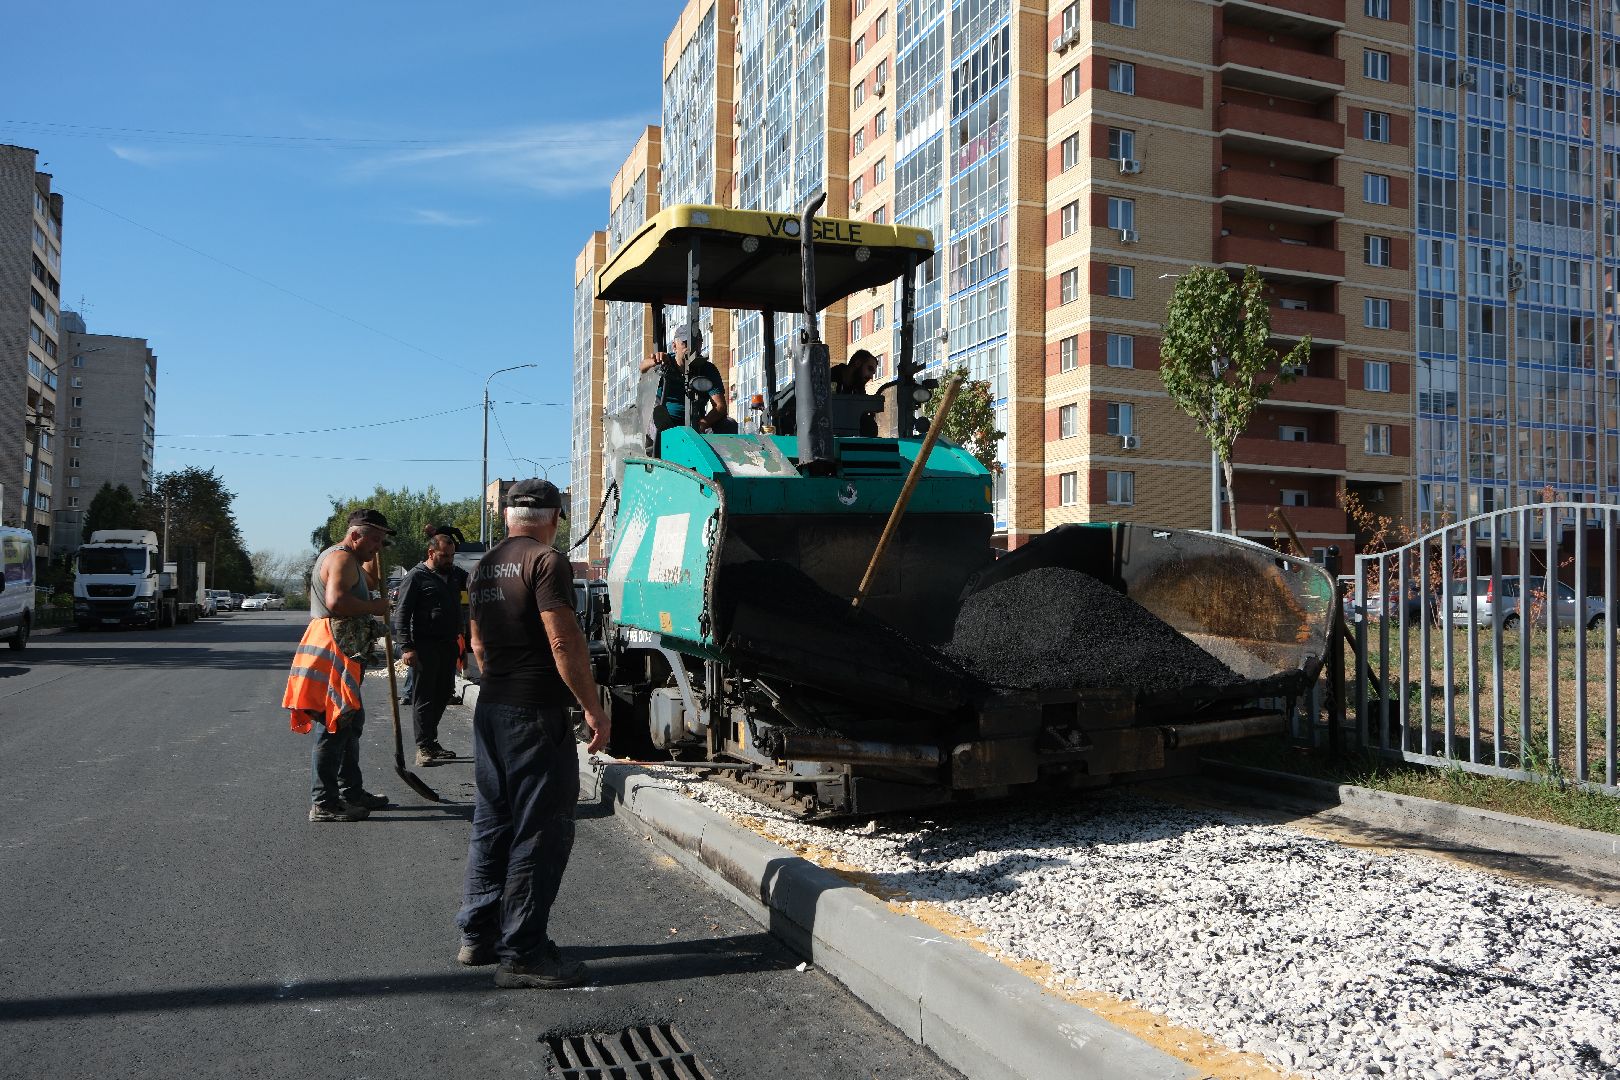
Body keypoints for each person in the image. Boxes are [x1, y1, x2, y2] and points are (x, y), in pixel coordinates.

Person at [456, 479, 610, 988]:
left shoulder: (483, 566)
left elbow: (478, 643)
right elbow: (562, 642)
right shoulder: (546, 561)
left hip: (492, 708)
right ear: (555, 518)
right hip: (533, 713)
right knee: (540, 829)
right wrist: (592, 708)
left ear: (506, 517)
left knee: (493, 822)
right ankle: (523, 952)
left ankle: (479, 934)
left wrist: (501, 685)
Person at [303, 509, 397, 822]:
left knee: (350, 722)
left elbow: (370, 579)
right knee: (336, 724)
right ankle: (324, 803)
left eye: (382, 541)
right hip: (335, 652)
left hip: (344, 652)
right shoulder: (342, 559)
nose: (378, 546)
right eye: (375, 539)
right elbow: (337, 602)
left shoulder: (350, 559)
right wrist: (375, 606)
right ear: (355, 535)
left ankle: (351, 792)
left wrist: (375, 552)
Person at [394, 530, 469, 766]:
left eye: (452, 556)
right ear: (431, 553)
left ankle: (430, 740)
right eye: (444, 556)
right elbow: (402, 614)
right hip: (425, 645)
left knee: (444, 692)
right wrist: (406, 647)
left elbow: (475, 584)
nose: (449, 560)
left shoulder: (455, 574)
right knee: (424, 696)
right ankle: (423, 747)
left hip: (449, 644)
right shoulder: (416, 577)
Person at [640, 324, 734, 438]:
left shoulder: (708, 370)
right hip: (666, 422)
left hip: (696, 424)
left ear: (701, 344)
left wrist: (704, 423)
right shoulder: (665, 363)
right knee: (654, 418)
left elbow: (720, 406)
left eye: (695, 343)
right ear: (674, 346)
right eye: (685, 343)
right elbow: (642, 367)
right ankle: (659, 444)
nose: (690, 349)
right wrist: (655, 361)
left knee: (728, 424)